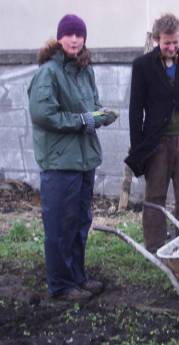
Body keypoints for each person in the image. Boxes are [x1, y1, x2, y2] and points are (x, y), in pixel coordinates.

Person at [28, 14, 118, 301]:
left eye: (79, 34)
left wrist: (100, 115)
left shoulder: (84, 70)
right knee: (59, 226)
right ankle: (61, 285)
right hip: (59, 162)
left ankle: (77, 276)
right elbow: (44, 114)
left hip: (83, 160)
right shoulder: (48, 73)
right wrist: (84, 119)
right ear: (59, 38)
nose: (75, 39)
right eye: (69, 34)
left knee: (80, 221)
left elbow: (91, 106)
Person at [125, 13, 179, 253]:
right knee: (155, 199)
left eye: (175, 42)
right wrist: (138, 145)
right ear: (156, 40)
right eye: (167, 43)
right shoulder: (142, 66)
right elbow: (135, 109)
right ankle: (155, 249)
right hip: (157, 144)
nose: (172, 47)